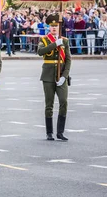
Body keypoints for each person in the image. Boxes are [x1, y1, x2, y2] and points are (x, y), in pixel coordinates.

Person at [37, 14, 71, 142]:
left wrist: (64, 76)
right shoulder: (44, 40)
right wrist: (54, 44)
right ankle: (49, 132)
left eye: (56, 26)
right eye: (52, 26)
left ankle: (60, 132)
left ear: (59, 26)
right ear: (48, 27)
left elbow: (68, 60)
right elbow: (40, 52)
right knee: (49, 104)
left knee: (64, 101)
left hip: (61, 75)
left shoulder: (65, 40)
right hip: (48, 75)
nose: (54, 28)